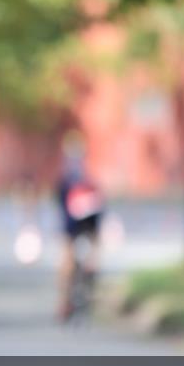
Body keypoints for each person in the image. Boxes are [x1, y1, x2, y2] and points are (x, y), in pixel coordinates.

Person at [55, 132, 104, 322]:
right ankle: (70, 299)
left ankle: (67, 300)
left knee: (71, 252)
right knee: (79, 252)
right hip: (80, 218)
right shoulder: (76, 180)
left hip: (82, 218)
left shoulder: (74, 179)